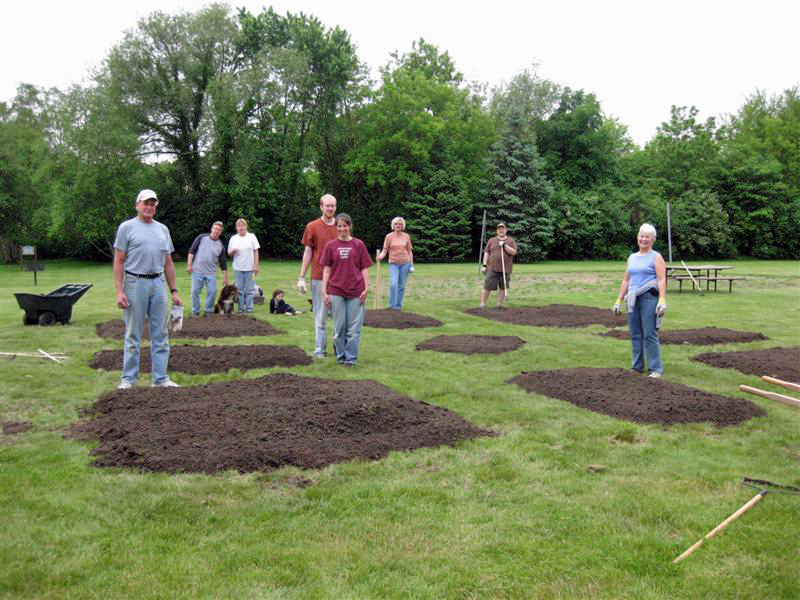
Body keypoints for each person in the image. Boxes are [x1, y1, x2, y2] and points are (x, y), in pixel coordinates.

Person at [113, 189, 183, 389]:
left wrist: (174, 291)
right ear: (137, 205)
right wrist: (119, 290)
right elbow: (118, 261)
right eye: (146, 203)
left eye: (152, 204)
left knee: (161, 333)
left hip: (158, 283)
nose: (149, 207)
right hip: (135, 283)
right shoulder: (127, 228)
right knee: (133, 334)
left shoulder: (163, 229)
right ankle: (128, 379)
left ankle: (160, 379)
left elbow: (168, 263)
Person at [613, 223, 667, 378]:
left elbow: (661, 279)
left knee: (649, 334)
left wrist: (662, 300)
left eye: (647, 237)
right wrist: (618, 300)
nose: (644, 239)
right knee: (635, 334)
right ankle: (637, 367)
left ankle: (655, 369)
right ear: (637, 238)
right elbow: (626, 281)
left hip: (649, 297)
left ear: (652, 240)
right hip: (632, 299)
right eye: (641, 236)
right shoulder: (632, 257)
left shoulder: (656, 257)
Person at [320, 213, 372, 366]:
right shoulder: (330, 246)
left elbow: (364, 269)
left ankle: (351, 358)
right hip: (336, 291)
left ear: (350, 226)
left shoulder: (358, 244)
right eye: (339, 226)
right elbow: (326, 270)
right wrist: (324, 291)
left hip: (356, 291)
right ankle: (341, 356)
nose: (342, 229)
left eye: (345, 225)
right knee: (339, 327)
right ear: (336, 228)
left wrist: (366, 288)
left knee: (354, 329)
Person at [298, 194, 339, 358]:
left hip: (339, 278)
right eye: (327, 206)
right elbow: (308, 252)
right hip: (318, 277)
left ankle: (339, 348)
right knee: (320, 315)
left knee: (339, 316)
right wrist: (301, 277)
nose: (330, 208)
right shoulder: (312, 226)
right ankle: (320, 349)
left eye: (333, 206)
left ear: (336, 207)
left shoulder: (342, 226)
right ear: (321, 207)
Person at [187, 221, 228, 316]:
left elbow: (223, 263)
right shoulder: (201, 238)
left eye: (219, 230)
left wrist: (225, 278)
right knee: (194, 291)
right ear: (212, 229)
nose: (216, 231)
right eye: (215, 229)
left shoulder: (220, 245)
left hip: (211, 273)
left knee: (213, 291)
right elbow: (191, 251)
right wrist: (189, 264)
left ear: (221, 232)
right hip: (197, 271)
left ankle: (208, 311)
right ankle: (195, 312)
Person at [377, 216, 414, 310]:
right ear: (393, 225)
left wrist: (412, 265)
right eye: (396, 224)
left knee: (401, 286)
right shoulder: (389, 236)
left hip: (405, 263)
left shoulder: (406, 236)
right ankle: (392, 306)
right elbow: (385, 250)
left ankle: (398, 306)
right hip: (393, 263)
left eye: (400, 224)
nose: (398, 225)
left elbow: (409, 251)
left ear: (402, 226)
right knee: (393, 284)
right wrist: (380, 256)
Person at [480, 222, 518, 308]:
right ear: (497, 230)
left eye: (502, 229)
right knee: (487, 286)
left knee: (503, 287)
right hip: (492, 267)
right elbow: (486, 253)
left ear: (506, 230)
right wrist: (484, 265)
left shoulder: (511, 241)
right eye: (499, 229)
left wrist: (505, 245)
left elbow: (514, 252)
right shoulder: (491, 240)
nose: (501, 230)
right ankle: (482, 304)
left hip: (506, 269)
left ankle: (499, 305)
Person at [227, 218, 260, 314]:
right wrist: (233, 251)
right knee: (239, 290)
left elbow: (256, 251)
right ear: (236, 227)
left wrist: (256, 265)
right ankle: (240, 309)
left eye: (242, 225)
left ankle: (249, 309)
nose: (240, 227)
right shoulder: (233, 238)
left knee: (250, 290)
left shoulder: (252, 237)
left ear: (246, 226)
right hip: (238, 268)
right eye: (238, 226)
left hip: (250, 268)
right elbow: (229, 253)